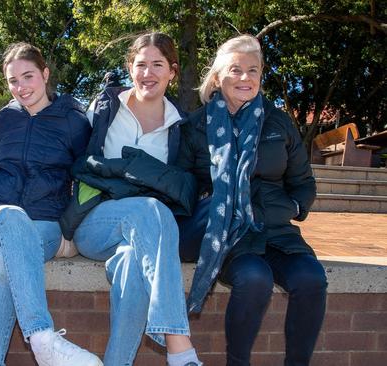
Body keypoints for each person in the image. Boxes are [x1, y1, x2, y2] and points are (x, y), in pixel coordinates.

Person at [176, 34, 328, 366]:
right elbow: (182, 187)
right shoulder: (195, 126)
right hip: (230, 236)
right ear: (218, 77)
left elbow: (303, 182)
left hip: (277, 230)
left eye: (253, 70)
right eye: (236, 70)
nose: (246, 78)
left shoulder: (278, 121)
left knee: (312, 279)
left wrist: (295, 207)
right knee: (254, 279)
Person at [61, 32, 203, 366]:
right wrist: (62, 230)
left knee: (131, 264)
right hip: (96, 222)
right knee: (149, 208)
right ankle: (179, 346)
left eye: (158, 65)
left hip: (144, 234)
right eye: (141, 64)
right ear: (129, 67)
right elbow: (74, 162)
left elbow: (185, 187)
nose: (148, 73)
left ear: (172, 71)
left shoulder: (181, 127)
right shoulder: (105, 108)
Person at [0, 42, 100, 366]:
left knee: (4, 263)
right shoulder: (3, 119)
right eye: (13, 81)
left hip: (45, 221)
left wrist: (70, 229)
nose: (21, 87)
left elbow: (86, 175)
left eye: (28, 76)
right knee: (12, 218)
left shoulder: (73, 120)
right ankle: (43, 339)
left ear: (45, 74)